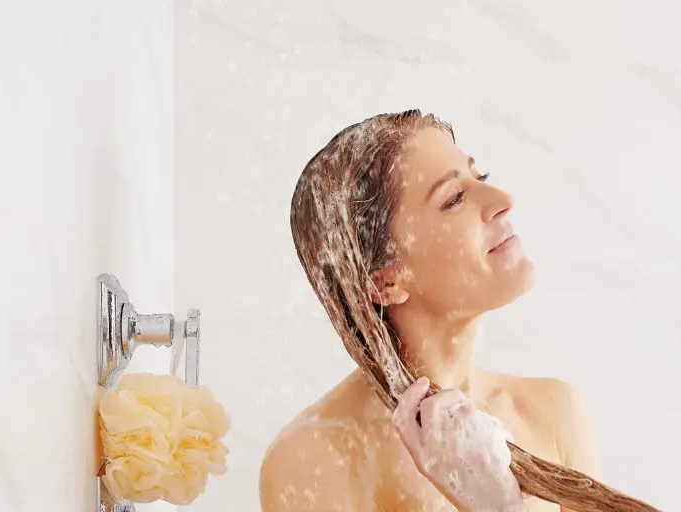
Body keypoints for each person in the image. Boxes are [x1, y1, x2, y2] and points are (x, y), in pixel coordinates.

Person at [259, 110, 647, 511]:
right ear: (384, 282)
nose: (503, 202)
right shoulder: (316, 459)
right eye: (453, 199)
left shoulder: (553, 414)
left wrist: (501, 504)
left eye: (481, 178)